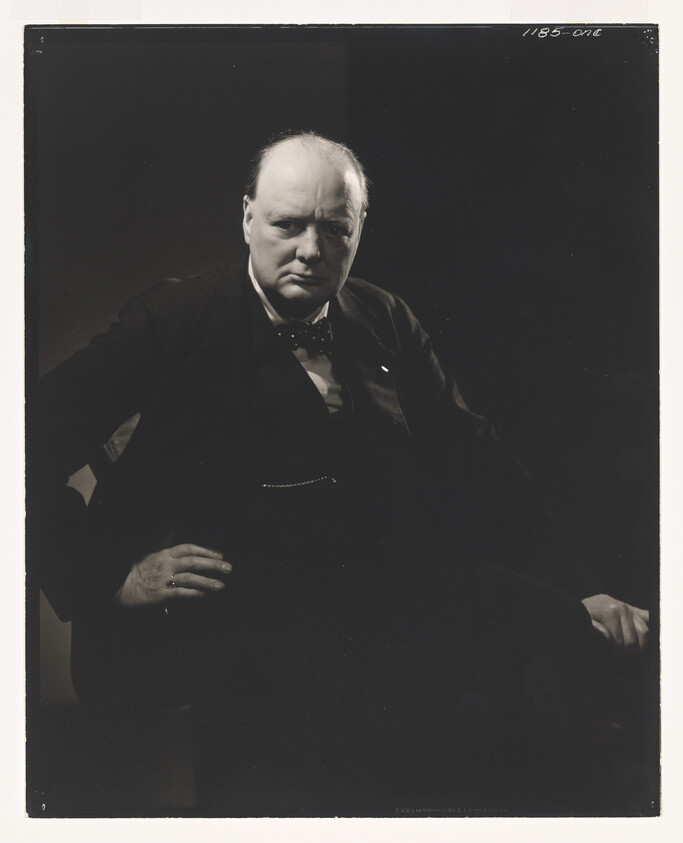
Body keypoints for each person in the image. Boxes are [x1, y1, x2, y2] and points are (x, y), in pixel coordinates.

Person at [33, 130, 650, 815]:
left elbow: (482, 460)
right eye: (286, 224)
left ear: (359, 229)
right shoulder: (170, 319)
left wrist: (578, 583)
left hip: (356, 606)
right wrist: (110, 576)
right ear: (245, 218)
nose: (310, 250)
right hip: (210, 624)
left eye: (334, 228)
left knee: (532, 671)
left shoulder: (383, 316)